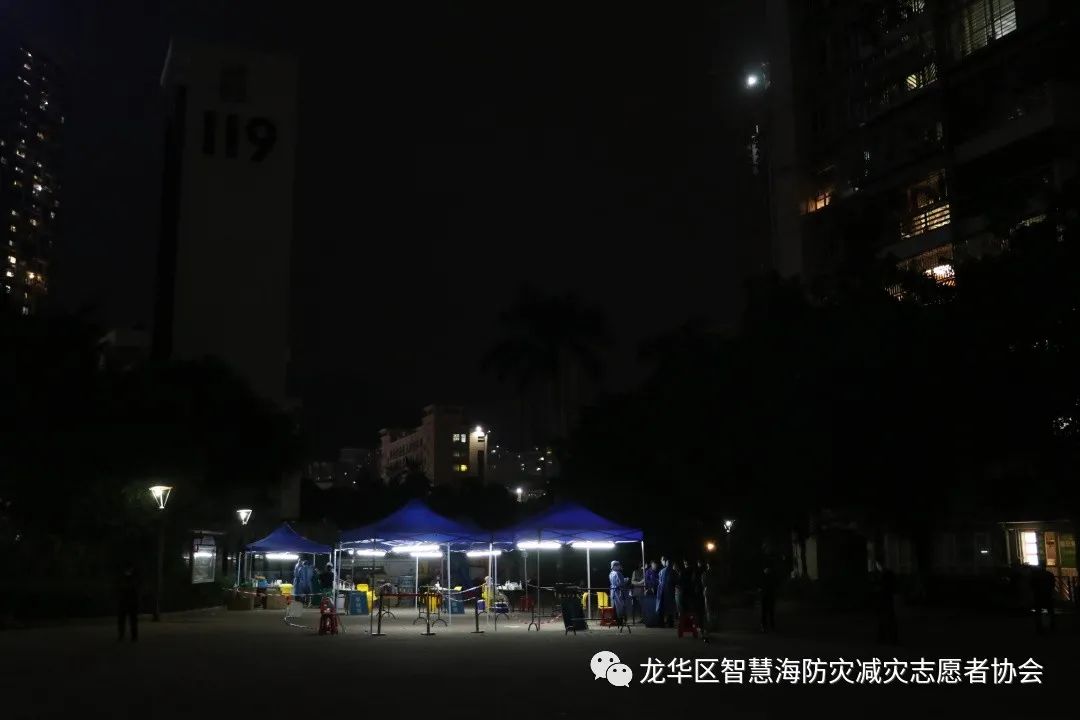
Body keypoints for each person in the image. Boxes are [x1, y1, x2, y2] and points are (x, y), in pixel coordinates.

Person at [873, 560, 897, 644]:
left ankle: (885, 638)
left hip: (884, 599)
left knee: (884, 620)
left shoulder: (884, 575)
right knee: (888, 620)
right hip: (886, 599)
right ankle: (889, 639)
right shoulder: (886, 574)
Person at [116, 561, 140, 642]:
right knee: (123, 620)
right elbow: (120, 587)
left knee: (132, 620)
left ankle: (133, 636)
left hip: (131, 602)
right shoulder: (123, 577)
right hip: (124, 602)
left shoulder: (134, 577)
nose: (128, 570)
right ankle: (122, 635)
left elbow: (135, 588)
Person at [1029, 564, 1056, 634]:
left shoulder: (1036, 575)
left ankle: (1039, 627)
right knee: (1050, 610)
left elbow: (1032, 585)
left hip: (1038, 595)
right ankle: (1052, 625)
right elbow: (1053, 584)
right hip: (1048, 594)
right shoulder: (1049, 574)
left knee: (1038, 611)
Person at [656, 556, 677, 628]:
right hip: (669, 592)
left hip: (661, 592)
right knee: (670, 609)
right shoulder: (673, 572)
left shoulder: (661, 571)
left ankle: (661, 623)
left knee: (661, 608)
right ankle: (670, 623)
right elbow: (676, 581)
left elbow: (659, 581)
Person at [608, 560, 630, 626]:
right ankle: (620, 621)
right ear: (615, 566)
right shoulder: (618, 573)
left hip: (613, 591)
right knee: (620, 606)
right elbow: (621, 583)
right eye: (618, 565)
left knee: (615, 606)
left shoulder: (611, 573)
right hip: (618, 591)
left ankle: (616, 621)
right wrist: (626, 580)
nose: (619, 566)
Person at [759, 566, 777, 632]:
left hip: (767, 596)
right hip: (767, 596)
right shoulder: (769, 578)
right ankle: (768, 626)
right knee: (769, 612)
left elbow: (761, 587)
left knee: (766, 612)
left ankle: (766, 626)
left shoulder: (765, 579)